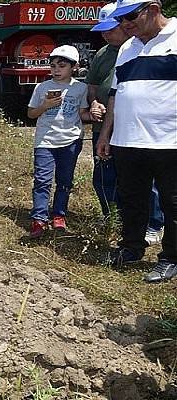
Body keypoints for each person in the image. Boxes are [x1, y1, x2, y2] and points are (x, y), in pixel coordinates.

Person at [97, 0, 177, 283]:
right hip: (127, 140)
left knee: (172, 202)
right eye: (121, 19)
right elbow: (115, 94)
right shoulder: (127, 48)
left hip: (169, 142)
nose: (125, 24)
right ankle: (131, 248)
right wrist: (106, 134)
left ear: (153, 9)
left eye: (130, 16)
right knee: (132, 199)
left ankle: (170, 258)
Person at [87, 2, 164, 244]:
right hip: (105, 128)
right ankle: (115, 220)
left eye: (111, 28)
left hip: (138, 130)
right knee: (105, 178)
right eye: (104, 29)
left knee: (146, 183)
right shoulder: (104, 53)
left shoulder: (143, 48)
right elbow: (95, 87)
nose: (106, 34)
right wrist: (92, 104)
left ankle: (153, 223)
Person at [26, 45, 94, 238]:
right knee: (42, 180)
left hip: (71, 140)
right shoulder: (42, 87)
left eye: (61, 66)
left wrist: (95, 113)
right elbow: (31, 113)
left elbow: (82, 113)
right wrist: (45, 105)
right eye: (53, 65)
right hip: (45, 140)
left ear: (74, 67)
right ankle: (39, 218)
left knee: (64, 180)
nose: (56, 70)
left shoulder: (80, 88)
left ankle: (59, 215)